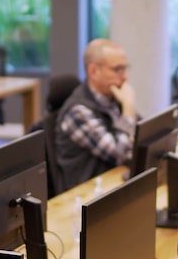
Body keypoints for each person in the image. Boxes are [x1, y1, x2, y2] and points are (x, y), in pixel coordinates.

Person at [55, 38, 138, 189]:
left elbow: (141, 139)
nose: (125, 77)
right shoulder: (78, 111)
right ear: (93, 71)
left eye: (125, 68)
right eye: (117, 69)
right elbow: (119, 154)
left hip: (113, 183)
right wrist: (128, 110)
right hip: (87, 194)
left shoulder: (113, 98)